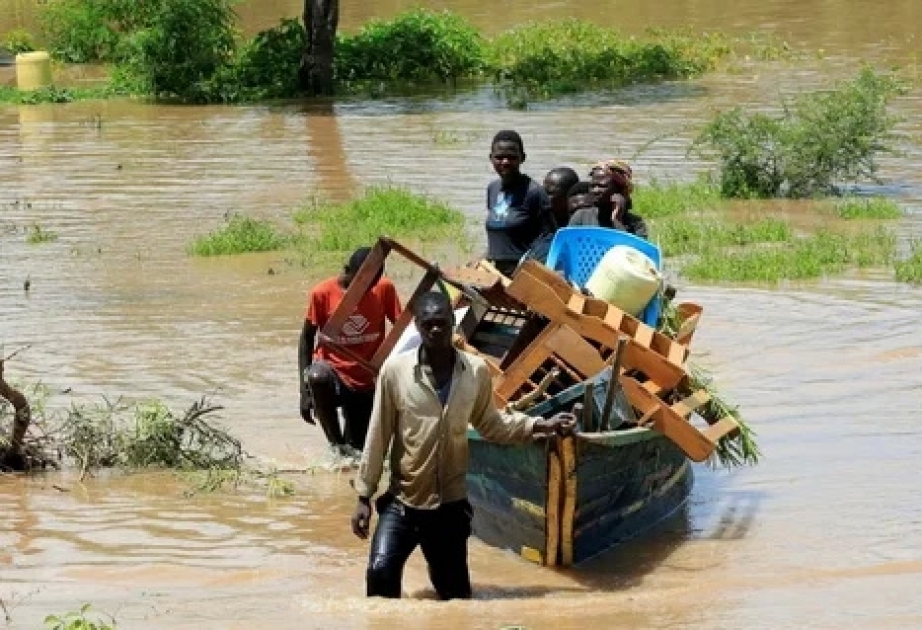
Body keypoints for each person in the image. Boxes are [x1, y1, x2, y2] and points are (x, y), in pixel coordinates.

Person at [351, 291, 576, 600]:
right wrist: (364, 495)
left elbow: (491, 424)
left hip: (449, 507)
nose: (435, 331)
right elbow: (378, 434)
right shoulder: (395, 373)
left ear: (452, 325)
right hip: (404, 502)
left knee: (456, 597)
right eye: (428, 324)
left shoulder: (475, 371)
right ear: (417, 326)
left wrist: (539, 425)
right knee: (380, 575)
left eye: (441, 324)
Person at [299, 247, 402, 454]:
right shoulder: (322, 293)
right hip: (334, 373)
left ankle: (348, 450)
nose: (369, 289)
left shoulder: (383, 289)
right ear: (348, 270)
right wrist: (304, 390)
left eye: (374, 282)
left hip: (366, 378)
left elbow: (402, 330)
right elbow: (306, 338)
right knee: (317, 376)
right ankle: (335, 445)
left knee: (358, 450)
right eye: (364, 283)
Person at [485, 130, 556, 277]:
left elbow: (550, 238)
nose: (505, 162)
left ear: (522, 158)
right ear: (491, 158)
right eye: (499, 157)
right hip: (495, 271)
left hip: (523, 274)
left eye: (511, 157)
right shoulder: (493, 189)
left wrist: (528, 269)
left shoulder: (534, 192)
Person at [569, 159, 648, 239]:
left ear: (619, 191)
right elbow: (567, 244)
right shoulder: (581, 216)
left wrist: (617, 220)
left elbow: (631, 250)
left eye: (602, 186)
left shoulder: (636, 223)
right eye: (592, 186)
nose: (595, 191)